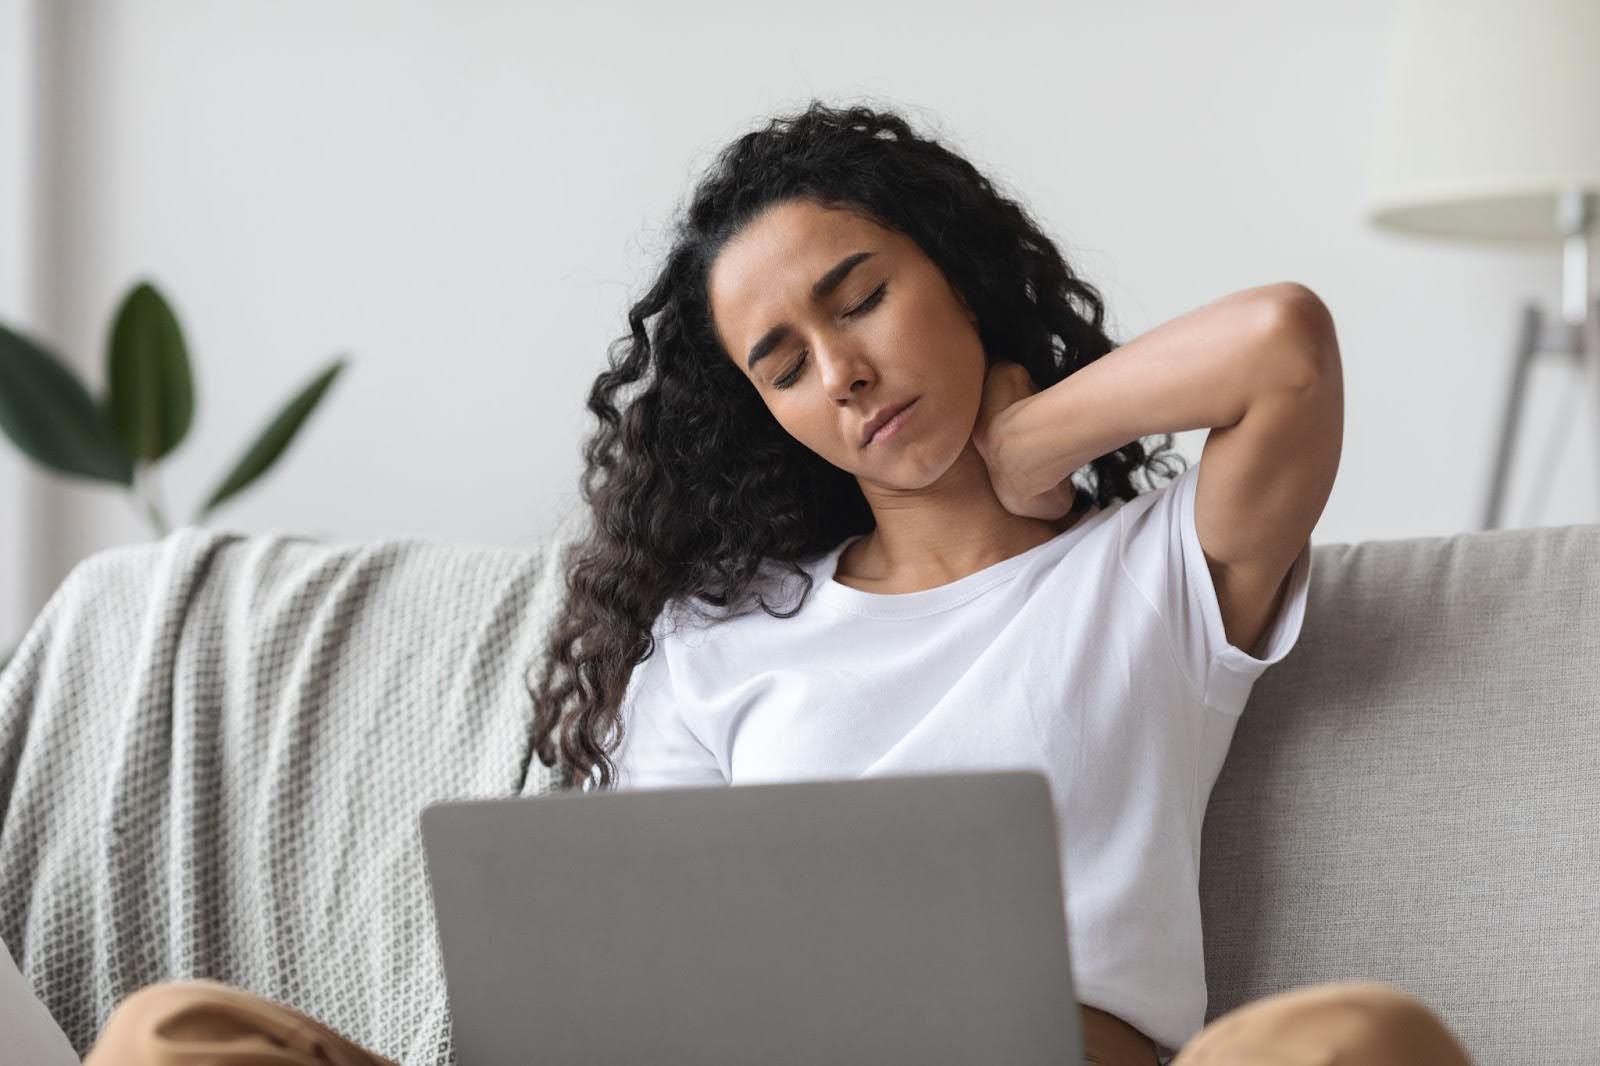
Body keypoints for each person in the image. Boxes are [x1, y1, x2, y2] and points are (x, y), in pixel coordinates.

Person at [83, 100, 1473, 1066]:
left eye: (859, 296)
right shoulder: (717, 636)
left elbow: (1285, 345)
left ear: (959, 272)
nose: (844, 371)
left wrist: (1029, 438)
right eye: (785, 362)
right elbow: (627, 983)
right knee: (169, 1033)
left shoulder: (1153, 571)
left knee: (1357, 1037)